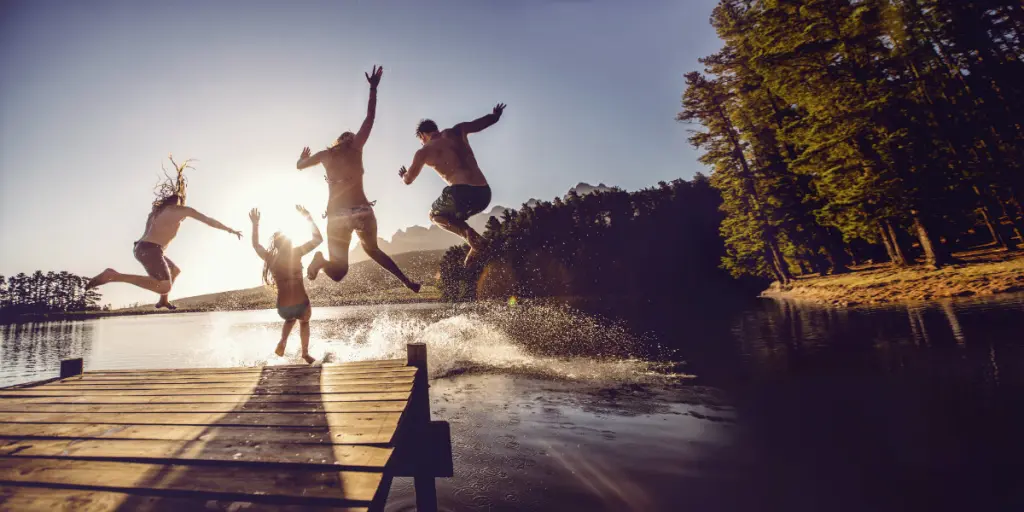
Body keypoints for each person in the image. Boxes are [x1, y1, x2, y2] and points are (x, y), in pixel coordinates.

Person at [296, 65, 421, 292]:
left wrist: (301, 159)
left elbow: (300, 167)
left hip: (336, 216)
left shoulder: (325, 155)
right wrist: (373, 88)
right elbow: (370, 118)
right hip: (361, 210)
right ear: (349, 140)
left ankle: (321, 261)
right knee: (372, 250)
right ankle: (406, 281)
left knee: (339, 272)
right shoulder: (355, 148)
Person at [86, 188, 242, 308]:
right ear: (178, 203)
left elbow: (150, 233)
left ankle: (163, 301)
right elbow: (208, 220)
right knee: (164, 286)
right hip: (150, 249)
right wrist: (230, 230)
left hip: (142, 248)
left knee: (174, 271)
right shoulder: (182, 211)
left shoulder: (154, 213)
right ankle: (114, 275)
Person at [398, 102, 506, 265]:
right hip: (484, 194)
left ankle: (473, 239)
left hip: (460, 194)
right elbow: (482, 123)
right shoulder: (457, 131)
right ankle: (475, 244)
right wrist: (495, 115)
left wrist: (403, 175)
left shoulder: (423, 152)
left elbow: (408, 180)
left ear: (422, 135)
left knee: (434, 215)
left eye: (421, 140)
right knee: (452, 216)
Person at [249, 206, 321, 364]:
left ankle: (282, 342)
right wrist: (308, 217)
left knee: (290, 320)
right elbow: (318, 240)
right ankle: (305, 353)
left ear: (276, 245)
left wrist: (255, 224)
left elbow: (256, 245)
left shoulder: (270, 258)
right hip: (302, 303)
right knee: (304, 321)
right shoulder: (297, 252)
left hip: (283, 307)